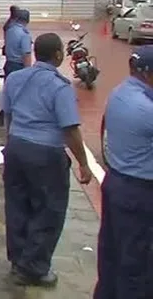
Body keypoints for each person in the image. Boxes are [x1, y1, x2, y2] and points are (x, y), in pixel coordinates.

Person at [1, 33, 92, 287]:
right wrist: (83, 163)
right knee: (49, 210)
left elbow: (8, 114)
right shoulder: (59, 87)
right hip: (46, 153)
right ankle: (34, 267)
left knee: (17, 205)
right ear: (58, 55)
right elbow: (70, 129)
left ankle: (19, 258)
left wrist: (11, 143)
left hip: (17, 148)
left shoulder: (16, 79)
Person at [94, 46, 153, 299]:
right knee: (137, 262)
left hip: (116, 181)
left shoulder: (118, 93)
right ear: (148, 74)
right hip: (139, 191)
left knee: (112, 252)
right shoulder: (146, 109)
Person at [0, 9, 32, 127]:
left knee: (9, 92)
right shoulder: (24, 34)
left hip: (8, 64)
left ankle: (5, 113)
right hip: (19, 67)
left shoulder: (10, 30)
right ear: (27, 20)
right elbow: (26, 54)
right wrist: (28, 73)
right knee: (20, 95)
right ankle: (16, 121)